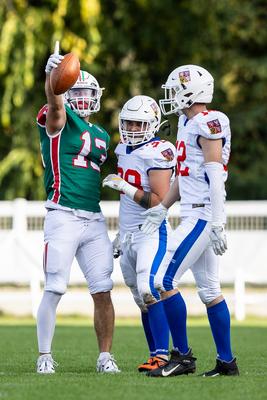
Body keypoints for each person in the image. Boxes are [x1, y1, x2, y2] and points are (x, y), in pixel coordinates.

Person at [141, 64, 239, 377]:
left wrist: (217, 222)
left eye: (175, 90)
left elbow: (214, 177)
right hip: (192, 209)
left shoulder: (209, 121)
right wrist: (161, 208)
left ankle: (182, 357)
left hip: (202, 213)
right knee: (210, 290)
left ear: (191, 90)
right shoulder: (187, 122)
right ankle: (227, 362)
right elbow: (185, 178)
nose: (171, 97)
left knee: (162, 281)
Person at [35, 47, 120, 374]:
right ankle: (45, 356)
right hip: (63, 214)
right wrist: (50, 78)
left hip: (93, 219)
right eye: (77, 91)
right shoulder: (59, 119)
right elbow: (55, 103)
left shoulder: (101, 134)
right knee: (55, 287)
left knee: (103, 289)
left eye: (88, 93)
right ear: (66, 91)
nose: (83, 98)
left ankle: (105, 357)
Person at [102, 95, 177, 372]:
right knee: (139, 298)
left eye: (139, 123)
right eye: (128, 122)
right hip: (130, 234)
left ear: (154, 123)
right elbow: (127, 204)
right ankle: (154, 354)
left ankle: (165, 356)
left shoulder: (159, 150)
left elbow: (160, 199)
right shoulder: (123, 149)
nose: (132, 128)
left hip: (151, 232)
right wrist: (122, 232)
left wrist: (125, 187)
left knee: (150, 289)